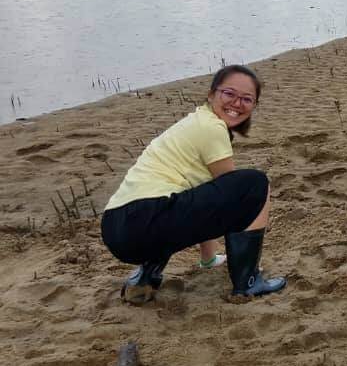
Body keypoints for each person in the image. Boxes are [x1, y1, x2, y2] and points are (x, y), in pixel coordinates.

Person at [100, 65, 286, 303]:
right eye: (229, 94)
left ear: (254, 106)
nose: (237, 103)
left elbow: (207, 197)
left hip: (117, 228)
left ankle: (145, 277)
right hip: (147, 217)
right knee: (254, 184)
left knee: (181, 199)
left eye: (247, 99)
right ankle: (248, 282)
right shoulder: (211, 127)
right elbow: (229, 200)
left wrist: (208, 259)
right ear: (211, 94)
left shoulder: (194, 123)